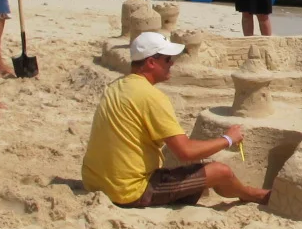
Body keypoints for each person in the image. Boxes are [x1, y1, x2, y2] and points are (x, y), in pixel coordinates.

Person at [81, 31, 270, 208]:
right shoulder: (151, 97)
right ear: (150, 63)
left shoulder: (116, 86)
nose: (172, 63)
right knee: (221, 172)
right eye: (167, 59)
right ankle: (253, 195)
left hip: (94, 182)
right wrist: (228, 139)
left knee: (189, 173)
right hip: (128, 191)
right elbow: (185, 152)